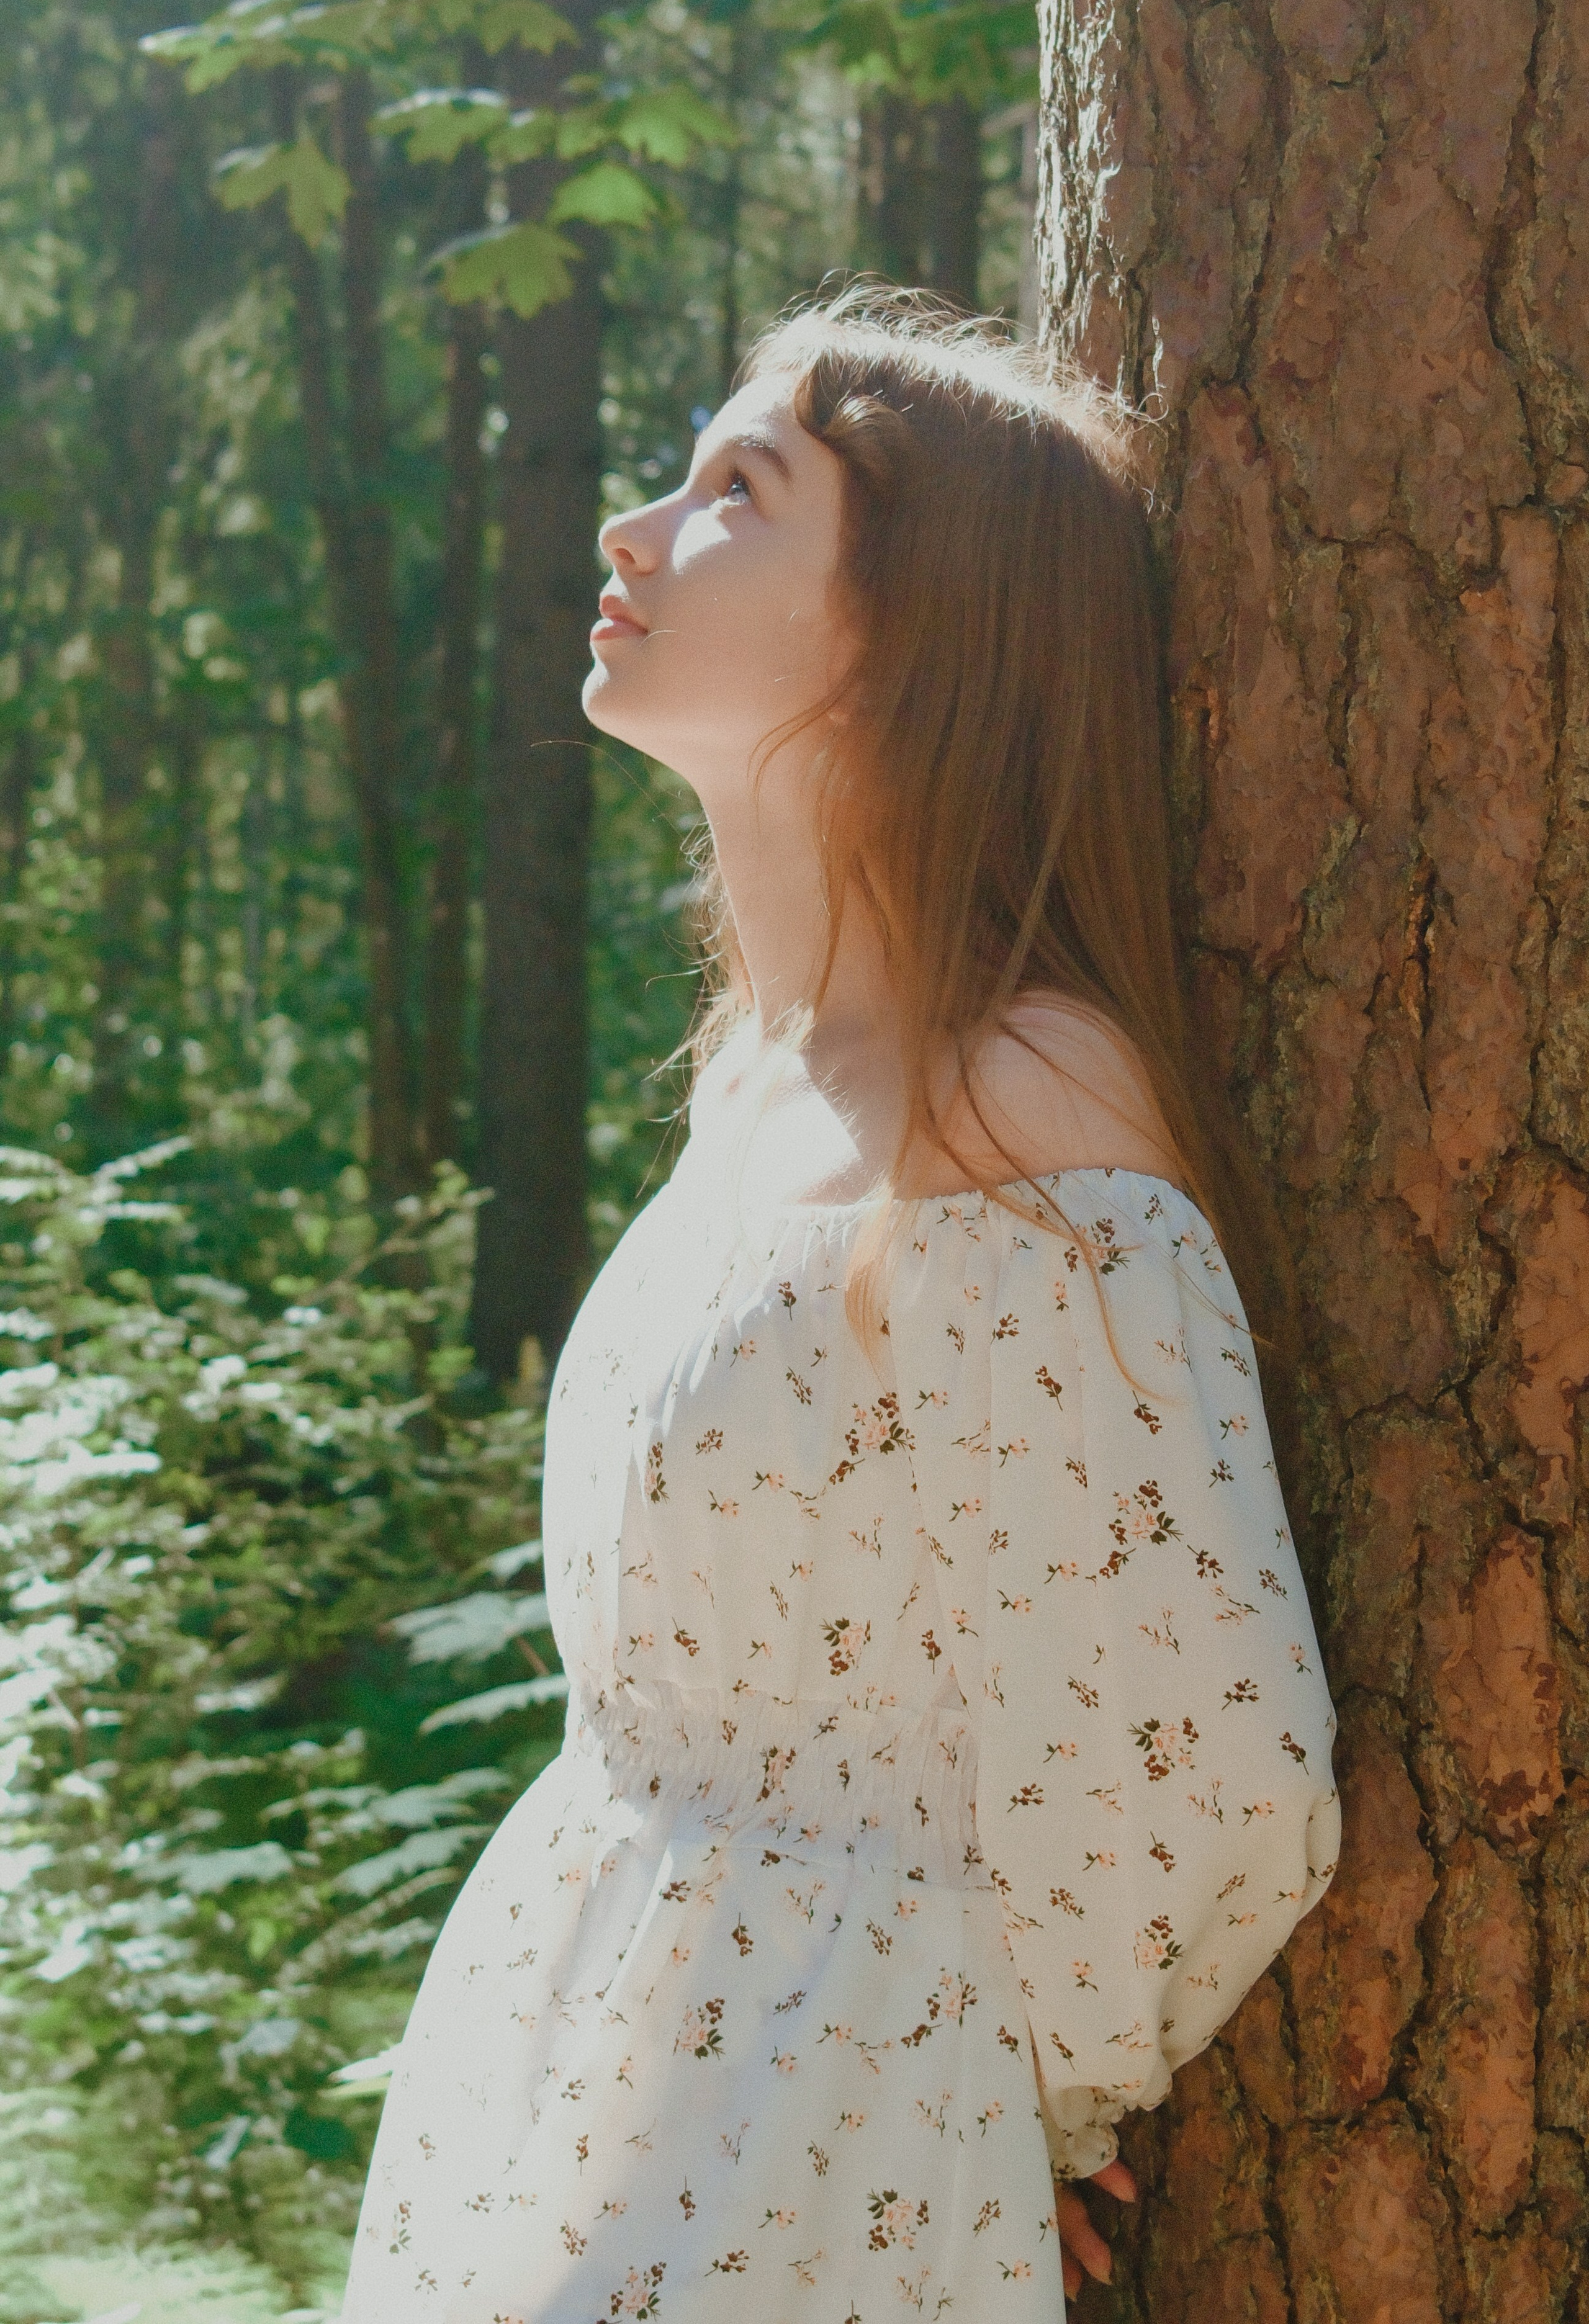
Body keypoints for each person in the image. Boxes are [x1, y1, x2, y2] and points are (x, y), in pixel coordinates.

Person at [340, 288, 1340, 2323]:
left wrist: (1004, 2099)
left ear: (907, 634)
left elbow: (1206, 1754)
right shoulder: (762, 1081)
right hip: (588, 2060)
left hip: (814, 2140)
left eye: (734, 493)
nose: (628, 531)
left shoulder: (1020, 1109)